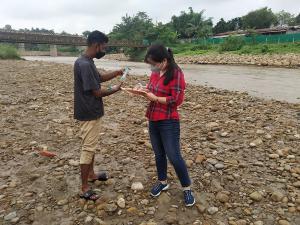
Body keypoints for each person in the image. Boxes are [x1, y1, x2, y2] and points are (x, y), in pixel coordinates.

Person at [140, 44, 196, 207]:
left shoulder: (176, 73)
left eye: (154, 63)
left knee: (174, 155)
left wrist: (155, 98)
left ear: (164, 60)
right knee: (159, 153)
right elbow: (152, 89)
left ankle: (186, 188)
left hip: (169, 120)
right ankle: (162, 181)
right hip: (153, 118)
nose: (152, 67)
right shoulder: (155, 71)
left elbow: (176, 100)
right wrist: (142, 90)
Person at [74, 30, 123, 200]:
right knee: (88, 148)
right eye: (104, 47)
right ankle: (84, 187)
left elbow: (99, 78)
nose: (105, 50)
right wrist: (115, 89)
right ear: (97, 45)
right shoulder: (85, 64)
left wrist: (116, 73)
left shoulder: (87, 61)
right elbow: (96, 92)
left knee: (91, 145)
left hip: (90, 111)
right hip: (89, 112)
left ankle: (91, 174)